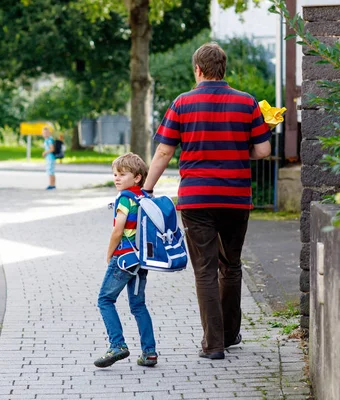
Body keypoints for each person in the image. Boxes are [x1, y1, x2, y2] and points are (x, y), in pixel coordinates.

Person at [143, 42, 272, 360]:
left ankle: (213, 345)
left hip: (197, 199)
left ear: (198, 70)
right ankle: (230, 335)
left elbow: (164, 150)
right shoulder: (247, 103)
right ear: (223, 69)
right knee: (231, 266)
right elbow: (263, 151)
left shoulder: (182, 103)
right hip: (235, 198)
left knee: (204, 270)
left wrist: (146, 189)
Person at [94, 153, 158, 368]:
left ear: (137, 177)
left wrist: (109, 253)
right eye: (115, 174)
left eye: (122, 174)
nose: (117, 178)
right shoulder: (144, 197)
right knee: (138, 305)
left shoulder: (124, 198)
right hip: (141, 260)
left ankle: (117, 345)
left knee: (105, 300)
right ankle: (149, 352)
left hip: (123, 259)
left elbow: (118, 230)